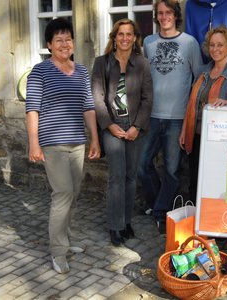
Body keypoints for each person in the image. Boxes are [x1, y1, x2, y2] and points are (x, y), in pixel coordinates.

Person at [25, 18, 100, 274]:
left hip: (77, 142)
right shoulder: (40, 71)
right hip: (52, 144)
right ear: (49, 44)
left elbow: (88, 106)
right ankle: (58, 252)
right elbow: (32, 109)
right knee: (63, 194)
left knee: (74, 193)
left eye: (68, 39)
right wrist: (33, 143)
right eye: (58, 40)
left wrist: (95, 139)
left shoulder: (81, 71)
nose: (64, 44)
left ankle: (65, 242)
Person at [138, 0, 203, 233]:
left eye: (169, 13)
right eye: (160, 13)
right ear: (156, 16)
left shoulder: (190, 43)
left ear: (176, 15)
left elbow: (199, 79)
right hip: (151, 116)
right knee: (142, 166)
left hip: (177, 118)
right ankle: (160, 204)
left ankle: (160, 212)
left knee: (172, 170)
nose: (164, 17)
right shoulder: (148, 42)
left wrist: (192, 112)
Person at [91, 19, 153, 246]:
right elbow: (97, 98)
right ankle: (115, 226)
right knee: (117, 176)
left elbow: (148, 98)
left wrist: (137, 126)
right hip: (112, 125)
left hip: (135, 125)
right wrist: (108, 125)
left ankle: (127, 222)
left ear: (135, 38)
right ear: (114, 37)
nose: (125, 38)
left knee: (130, 176)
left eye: (129, 34)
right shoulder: (102, 63)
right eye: (121, 34)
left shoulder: (142, 63)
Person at [179, 25, 227, 204]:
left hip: (221, 142)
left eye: (220, 45)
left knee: (216, 185)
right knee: (195, 182)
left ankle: (213, 227)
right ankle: (195, 226)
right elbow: (191, 104)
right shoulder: (203, 72)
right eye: (212, 45)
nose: (215, 49)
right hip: (196, 136)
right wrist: (183, 131)